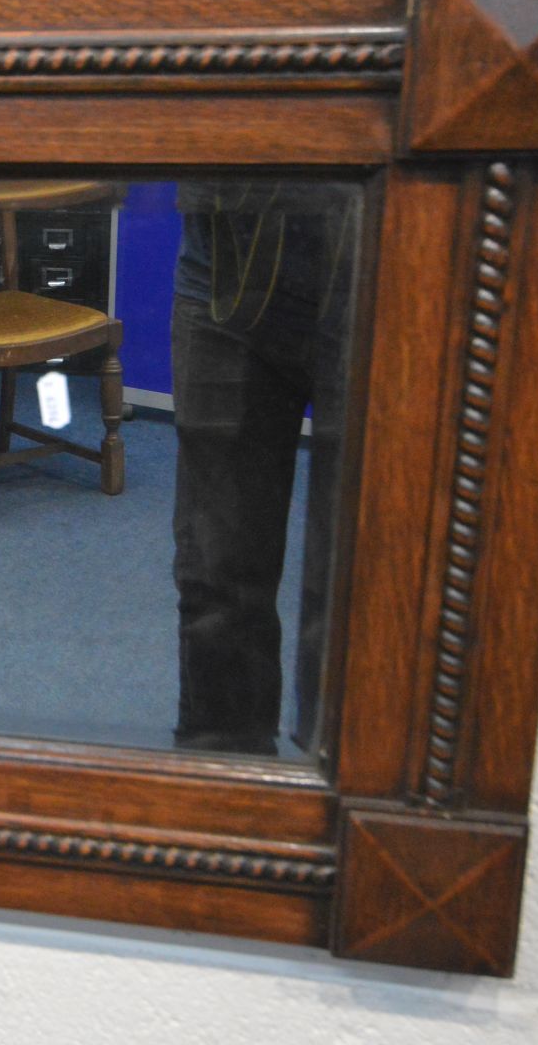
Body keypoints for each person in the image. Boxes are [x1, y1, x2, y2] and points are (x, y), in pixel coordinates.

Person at [169, 181, 357, 754]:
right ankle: (223, 789)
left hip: (384, 265)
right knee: (216, 570)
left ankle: (345, 793)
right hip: (225, 258)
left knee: (360, 576)